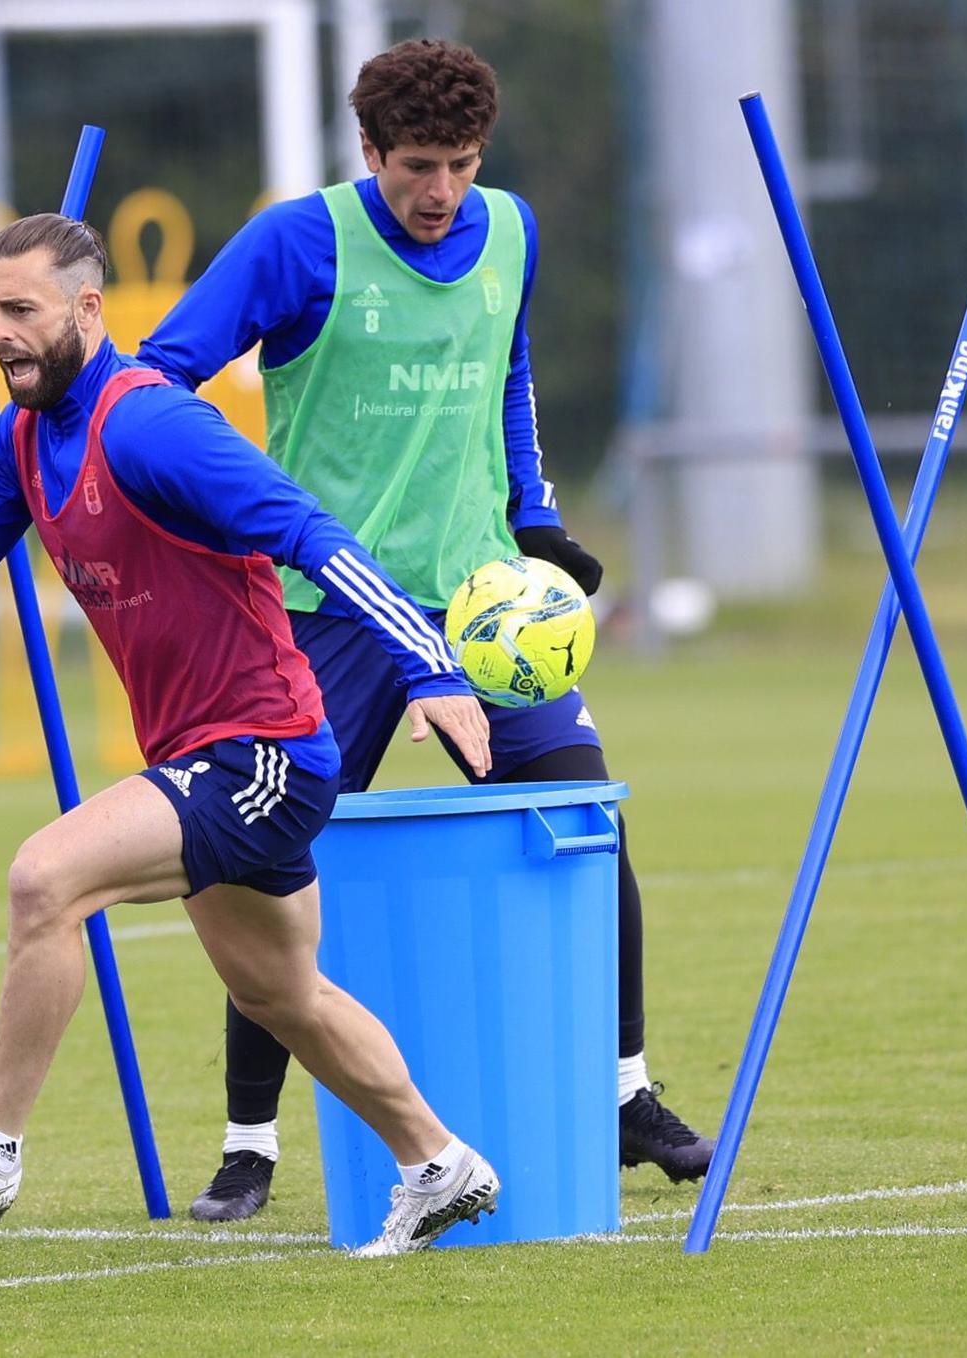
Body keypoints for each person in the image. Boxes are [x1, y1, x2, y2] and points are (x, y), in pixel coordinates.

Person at [0, 212, 502, 1256]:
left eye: (21, 310)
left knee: (44, 877)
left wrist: (429, 663)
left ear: (87, 309)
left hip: (263, 751)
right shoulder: (18, 439)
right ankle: (436, 1163)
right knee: (284, 994)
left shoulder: (150, 425)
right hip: (201, 753)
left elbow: (310, 529)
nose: (0, 334)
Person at [139, 37, 714, 1224]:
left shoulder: (510, 230)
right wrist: (234, 518)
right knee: (261, 868)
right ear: (367, 152)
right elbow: (155, 384)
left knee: (582, 816)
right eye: (415, 166)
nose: (439, 191)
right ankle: (250, 1144)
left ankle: (622, 1091)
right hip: (325, 610)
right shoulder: (297, 242)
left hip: (481, 608)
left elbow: (506, 374)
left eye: (459, 163)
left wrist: (535, 516)